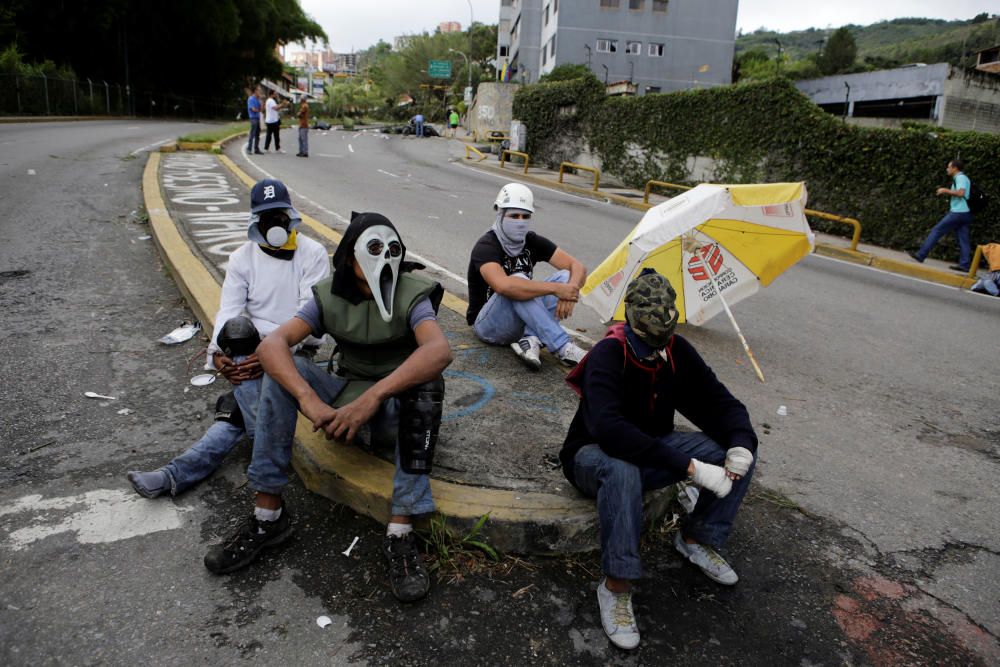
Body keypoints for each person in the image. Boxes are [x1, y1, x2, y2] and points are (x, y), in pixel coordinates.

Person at [203, 212, 452, 605]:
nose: (383, 259)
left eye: (391, 250)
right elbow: (272, 346)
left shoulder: (413, 294)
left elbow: (438, 350)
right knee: (284, 370)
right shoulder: (327, 296)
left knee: (428, 381)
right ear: (349, 258)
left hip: (391, 411)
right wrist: (310, 401)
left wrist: (372, 398)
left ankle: (402, 531)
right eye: (371, 250)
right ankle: (268, 517)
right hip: (342, 399)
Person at [559, 269, 758, 650]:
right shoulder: (608, 354)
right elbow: (610, 431)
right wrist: (689, 468)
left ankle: (698, 538)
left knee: (732, 448)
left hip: (651, 449)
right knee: (622, 468)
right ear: (632, 322)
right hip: (592, 458)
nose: (659, 346)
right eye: (652, 339)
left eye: (665, 337)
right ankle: (616, 586)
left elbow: (719, 401)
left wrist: (741, 443)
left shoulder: (675, 352)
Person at [127, 179, 329, 498]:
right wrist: (218, 355)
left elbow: (308, 318)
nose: (274, 222)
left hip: (294, 353)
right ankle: (256, 437)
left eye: (279, 214)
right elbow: (228, 312)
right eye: (266, 216)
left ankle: (175, 474)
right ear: (254, 220)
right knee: (235, 329)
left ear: (290, 216)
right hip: (248, 355)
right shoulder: (241, 258)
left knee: (232, 414)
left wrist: (272, 356)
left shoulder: (313, 254)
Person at [466, 183, 588, 370]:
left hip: (520, 322)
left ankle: (530, 339)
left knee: (566, 276)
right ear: (500, 214)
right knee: (519, 281)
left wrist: (569, 290)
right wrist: (557, 290)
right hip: (488, 326)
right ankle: (563, 346)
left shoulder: (531, 241)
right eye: (514, 216)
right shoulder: (487, 246)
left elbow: (577, 266)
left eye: (525, 216)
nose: (520, 221)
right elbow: (504, 287)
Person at [908, 158, 974, 273]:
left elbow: (961, 193)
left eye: (949, 167)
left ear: (955, 168)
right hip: (965, 213)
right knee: (963, 239)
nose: (947, 169)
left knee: (937, 230)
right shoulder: (961, 178)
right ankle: (965, 265)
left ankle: (921, 254)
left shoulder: (960, 178)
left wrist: (945, 190)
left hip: (958, 212)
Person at [246, 86, 263, 155]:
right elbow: (253, 109)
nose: (260, 92)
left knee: (257, 135)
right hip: (253, 118)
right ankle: (249, 149)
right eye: (259, 91)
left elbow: (261, 109)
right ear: (255, 91)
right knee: (252, 134)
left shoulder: (258, 99)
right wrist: (258, 110)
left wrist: (261, 102)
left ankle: (256, 149)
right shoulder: (251, 99)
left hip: (258, 118)